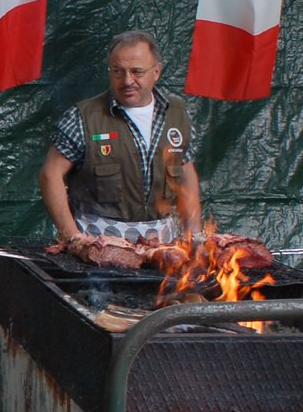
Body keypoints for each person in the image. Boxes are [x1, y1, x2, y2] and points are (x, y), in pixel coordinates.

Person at [38, 30, 202, 250]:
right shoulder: (84, 117)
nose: (127, 81)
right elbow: (50, 175)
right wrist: (73, 238)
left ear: (157, 71)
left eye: (137, 72)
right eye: (118, 71)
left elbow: (185, 175)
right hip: (99, 248)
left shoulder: (177, 114)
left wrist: (194, 234)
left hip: (162, 248)